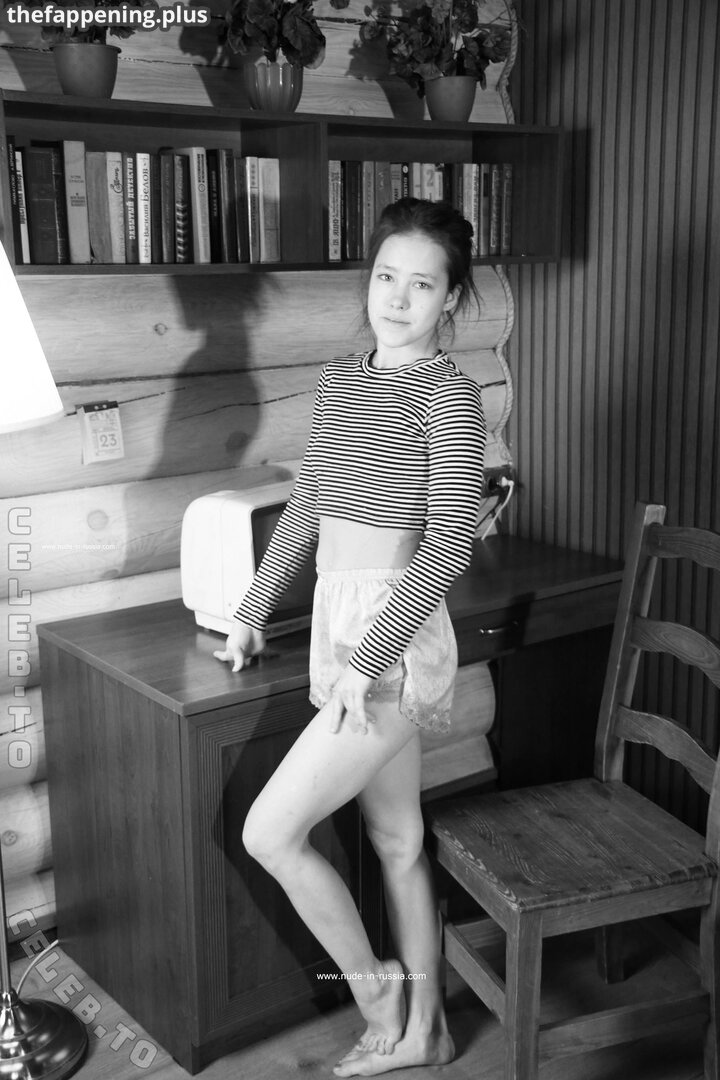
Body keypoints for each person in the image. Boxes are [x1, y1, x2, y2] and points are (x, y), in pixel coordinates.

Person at [214, 197, 486, 1077]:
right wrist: (253, 609)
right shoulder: (342, 378)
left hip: (394, 645)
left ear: (451, 298)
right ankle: (429, 1032)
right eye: (385, 277)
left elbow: (448, 544)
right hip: (338, 628)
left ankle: (378, 994)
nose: (397, 299)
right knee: (398, 841)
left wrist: (365, 664)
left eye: (422, 285)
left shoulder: (449, 395)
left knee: (268, 833)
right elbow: (308, 505)